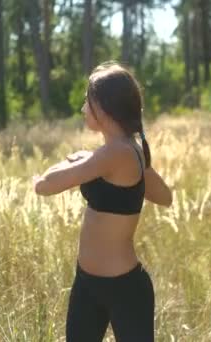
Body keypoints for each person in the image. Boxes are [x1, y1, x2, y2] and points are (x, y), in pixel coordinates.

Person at [32, 61, 173, 341]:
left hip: (124, 289)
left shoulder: (115, 154)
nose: (84, 108)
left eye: (88, 100)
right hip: (87, 283)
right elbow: (165, 197)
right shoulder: (123, 152)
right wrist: (100, 162)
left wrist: (82, 163)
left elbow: (46, 186)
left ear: (105, 108)